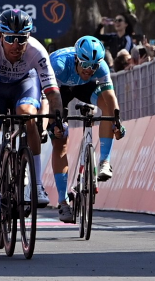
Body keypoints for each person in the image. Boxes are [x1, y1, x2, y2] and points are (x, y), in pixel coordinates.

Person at [0, 9, 63, 227]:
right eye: (11, 39)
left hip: (24, 85)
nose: (16, 45)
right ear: (1, 36)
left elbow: (52, 93)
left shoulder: (37, 51)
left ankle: (36, 183)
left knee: (28, 117)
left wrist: (56, 120)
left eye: (21, 39)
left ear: (28, 37)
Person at [49, 36, 125, 223]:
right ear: (76, 58)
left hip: (85, 88)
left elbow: (111, 97)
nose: (89, 69)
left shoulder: (100, 67)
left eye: (94, 66)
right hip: (59, 91)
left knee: (107, 109)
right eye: (85, 64)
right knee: (60, 141)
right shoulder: (58, 64)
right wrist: (55, 124)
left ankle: (105, 161)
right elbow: (50, 100)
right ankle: (63, 201)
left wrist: (117, 122)